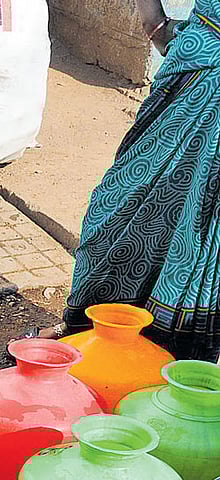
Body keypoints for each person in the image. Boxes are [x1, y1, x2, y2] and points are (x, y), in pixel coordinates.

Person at [35, 0, 220, 364]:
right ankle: (90, 332)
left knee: (205, 234)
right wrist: (157, 26)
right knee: (119, 207)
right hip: (198, 75)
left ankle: (175, 361)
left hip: (201, 68)